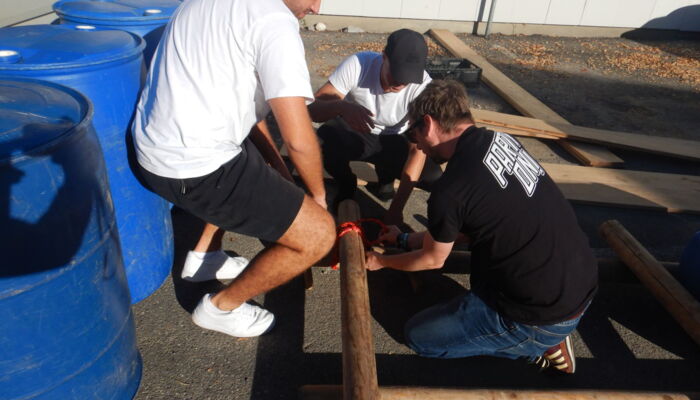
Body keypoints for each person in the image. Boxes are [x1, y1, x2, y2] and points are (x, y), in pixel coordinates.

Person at [131, 0, 335, 338]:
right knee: (319, 234)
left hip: (157, 145)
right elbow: (298, 139)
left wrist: (283, 178)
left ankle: (204, 258)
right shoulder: (275, 22)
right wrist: (318, 197)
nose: (317, 8)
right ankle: (220, 308)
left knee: (248, 164)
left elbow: (252, 117)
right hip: (193, 167)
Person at [366, 80, 598, 373]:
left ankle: (536, 346)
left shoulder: (450, 191)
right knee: (480, 261)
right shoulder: (500, 140)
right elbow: (467, 226)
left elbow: (433, 259)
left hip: (541, 315)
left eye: (413, 134)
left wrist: (381, 262)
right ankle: (541, 335)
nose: (417, 145)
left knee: (419, 336)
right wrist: (404, 240)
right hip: (579, 284)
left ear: (429, 123)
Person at [308, 29, 442, 224]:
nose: (400, 83)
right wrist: (341, 107)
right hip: (358, 130)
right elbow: (313, 109)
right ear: (384, 57)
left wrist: (396, 209)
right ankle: (346, 184)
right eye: (396, 74)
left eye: (407, 78)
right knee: (320, 142)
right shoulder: (359, 64)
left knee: (434, 176)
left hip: (398, 138)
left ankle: (385, 178)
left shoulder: (423, 87)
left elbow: (417, 150)